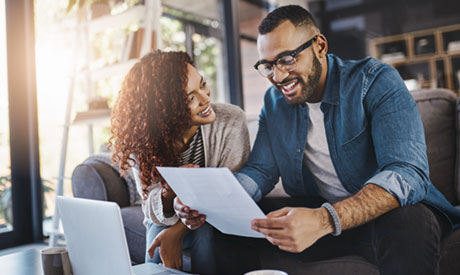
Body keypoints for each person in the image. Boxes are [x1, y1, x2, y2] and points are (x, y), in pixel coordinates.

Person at [174, 5, 460, 275]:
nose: (278, 75)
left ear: (320, 47)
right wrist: (210, 202)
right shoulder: (274, 103)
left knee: (408, 220)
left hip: (377, 219)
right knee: (217, 228)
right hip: (321, 213)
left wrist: (325, 219)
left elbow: (407, 173)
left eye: (287, 59)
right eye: (268, 65)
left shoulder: (374, 81)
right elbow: (260, 171)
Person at [109, 50, 250, 274]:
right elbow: (150, 210)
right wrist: (168, 192)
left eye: (202, 85)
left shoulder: (231, 121)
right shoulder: (143, 141)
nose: (206, 99)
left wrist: (176, 233)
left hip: (216, 219)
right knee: (157, 229)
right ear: (165, 110)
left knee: (203, 228)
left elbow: (230, 193)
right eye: (191, 98)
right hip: (167, 218)